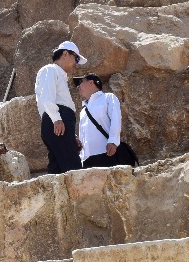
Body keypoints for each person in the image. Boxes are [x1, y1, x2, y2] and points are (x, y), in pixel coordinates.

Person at [35, 41, 85, 175]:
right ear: (65, 54)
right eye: (76, 58)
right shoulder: (50, 70)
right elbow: (47, 98)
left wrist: (71, 134)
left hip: (58, 119)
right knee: (72, 165)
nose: (76, 63)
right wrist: (57, 119)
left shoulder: (59, 74)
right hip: (58, 118)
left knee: (57, 167)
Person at [75, 73, 124, 168]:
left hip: (105, 153)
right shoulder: (83, 110)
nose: (77, 87)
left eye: (80, 82)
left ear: (91, 83)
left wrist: (113, 141)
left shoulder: (108, 98)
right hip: (86, 159)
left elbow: (116, 120)